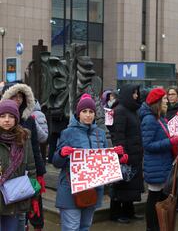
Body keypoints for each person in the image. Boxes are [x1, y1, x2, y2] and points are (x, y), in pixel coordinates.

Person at [53, 94, 120, 230]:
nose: (88, 115)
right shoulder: (68, 133)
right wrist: (61, 154)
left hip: (93, 189)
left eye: (91, 112)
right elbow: (56, 162)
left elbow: (105, 162)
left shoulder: (100, 134)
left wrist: (117, 157)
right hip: (70, 190)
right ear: (78, 113)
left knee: (85, 226)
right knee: (72, 228)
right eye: (84, 111)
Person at [2, 83, 46, 231]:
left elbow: (32, 160)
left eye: (21, 96)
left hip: (16, 192)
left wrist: (35, 189)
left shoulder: (25, 133)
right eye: (3, 116)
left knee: (17, 223)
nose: (7, 120)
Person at [139, 88, 178, 231]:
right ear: (157, 102)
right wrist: (171, 142)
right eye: (164, 99)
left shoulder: (159, 118)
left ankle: (159, 226)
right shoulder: (149, 119)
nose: (167, 101)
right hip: (156, 165)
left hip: (162, 164)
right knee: (154, 198)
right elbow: (148, 145)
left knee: (160, 197)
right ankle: (152, 227)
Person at [0, 100, 38, 231]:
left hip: (14, 199)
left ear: (16, 119)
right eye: (2, 116)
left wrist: (35, 197)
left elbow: (31, 168)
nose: (7, 120)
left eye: (11, 116)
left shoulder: (23, 138)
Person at [109, 84, 144, 223]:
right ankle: (116, 214)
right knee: (121, 185)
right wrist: (121, 153)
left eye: (137, 93)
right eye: (134, 93)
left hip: (134, 154)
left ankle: (129, 212)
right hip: (126, 155)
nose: (136, 96)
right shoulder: (120, 111)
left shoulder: (132, 110)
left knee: (130, 186)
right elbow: (119, 134)